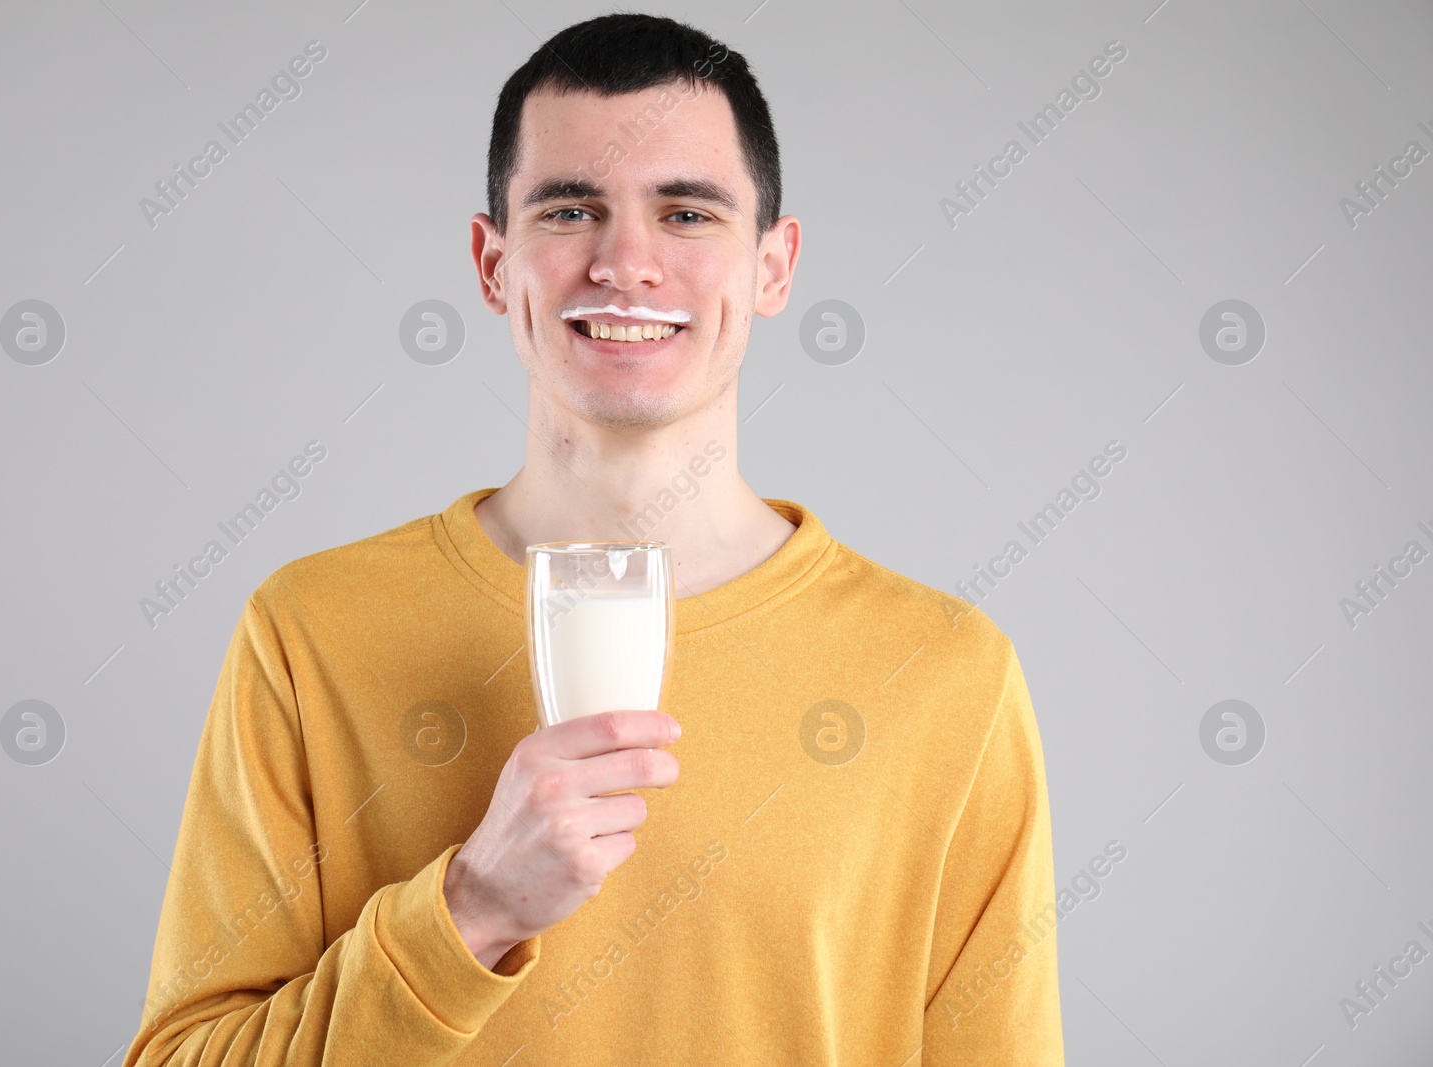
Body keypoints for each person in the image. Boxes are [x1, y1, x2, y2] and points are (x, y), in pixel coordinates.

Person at [124, 12, 1064, 1066]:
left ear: (772, 264)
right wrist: (468, 912)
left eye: (687, 213)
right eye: (570, 208)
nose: (625, 262)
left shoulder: (944, 672)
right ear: (492, 264)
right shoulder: (309, 629)